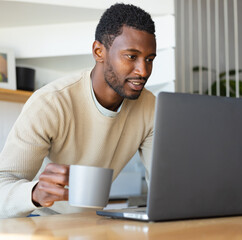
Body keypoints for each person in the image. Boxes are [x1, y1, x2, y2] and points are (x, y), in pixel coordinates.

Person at [0, 3, 157, 218]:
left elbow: (163, 183)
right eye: (131, 56)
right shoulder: (50, 103)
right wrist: (35, 193)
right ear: (99, 51)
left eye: (149, 59)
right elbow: (2, 186)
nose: (143, 71)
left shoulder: (150, 107)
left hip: (91, 222)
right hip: (37, 218)